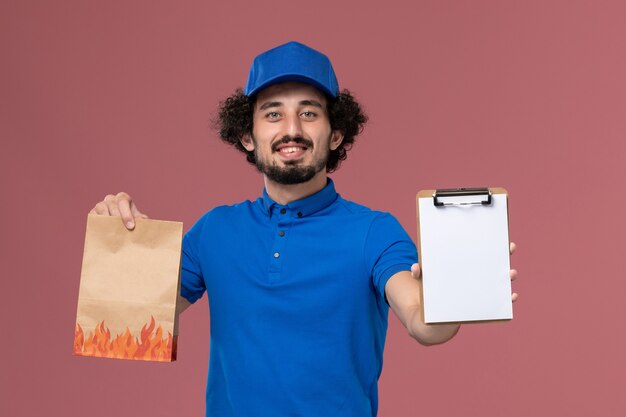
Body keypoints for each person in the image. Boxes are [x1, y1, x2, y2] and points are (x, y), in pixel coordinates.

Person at [91, 41, 518, 417]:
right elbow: (128, 320)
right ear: (247, 135)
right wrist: (123, 245)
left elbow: (424, 324)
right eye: (273, 114)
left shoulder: (375, 231)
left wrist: (458, 292)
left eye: (309, 113)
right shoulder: (214, 231)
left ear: (335, 134)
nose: (291, 130)